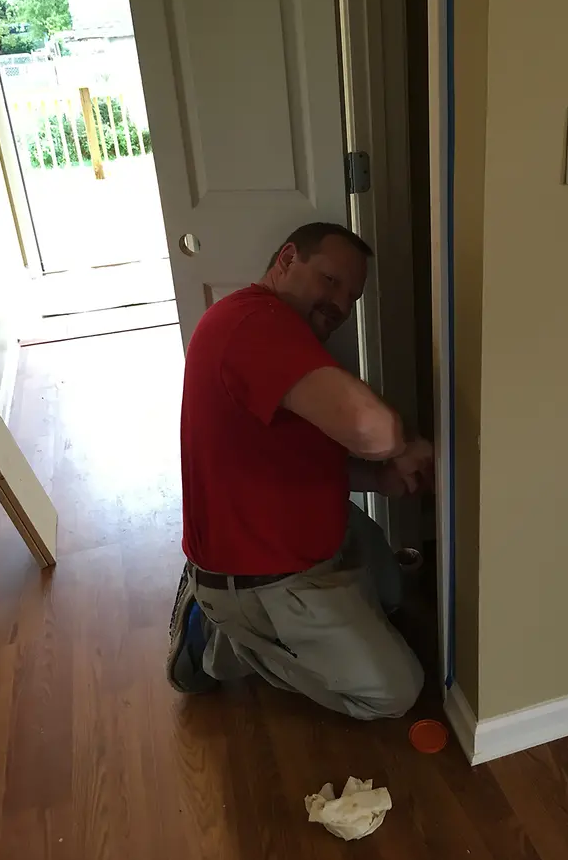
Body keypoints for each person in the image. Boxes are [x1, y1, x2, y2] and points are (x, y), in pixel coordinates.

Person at [166, 222, 433, 720]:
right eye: (330, 281)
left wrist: (377, 481)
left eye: (351, 295)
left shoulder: (280, 334)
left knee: (393, 595)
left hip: (308, 533)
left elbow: (298, 455)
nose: (340, 303)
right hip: (261, 576)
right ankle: (222, 641)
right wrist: (405, 448)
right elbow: (372, 430)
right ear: (287, 259)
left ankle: (250, 621)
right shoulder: (253, 325)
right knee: (396, 692)